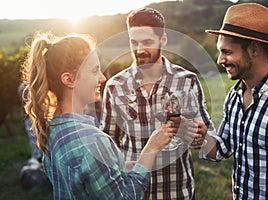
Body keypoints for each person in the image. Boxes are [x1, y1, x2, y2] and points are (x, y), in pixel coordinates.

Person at [22, 31, 175, 199]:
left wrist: (129, 166)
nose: (102, 78)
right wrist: (151, 150)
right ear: (69, 80)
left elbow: (88, 180)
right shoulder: (93, 141)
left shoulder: (52, 131)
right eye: (95, 71)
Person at [100, 8, 214, 199]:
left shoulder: (187, 81)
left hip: (177, 192)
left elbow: (204, 140)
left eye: (147, 42)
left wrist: (197, 135)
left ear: (163, 40)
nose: (139, 49)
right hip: (134, 192)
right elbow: (108, 143)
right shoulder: (115, 86)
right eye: (133, 42)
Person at [201, 3, 268, 199]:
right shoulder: (235, 95)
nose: (220, 60)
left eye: (227, 52)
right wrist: (199, 134)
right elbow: (222, 149)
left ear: (254, 50)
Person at [18, 82, 51, 190]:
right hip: (32, 119)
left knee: (38, 143)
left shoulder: (24, 87)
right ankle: (39, 163)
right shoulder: (26, 88)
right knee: (37, 143)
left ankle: (39, 162)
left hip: (32, 118)